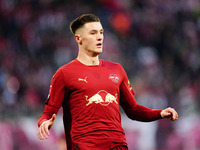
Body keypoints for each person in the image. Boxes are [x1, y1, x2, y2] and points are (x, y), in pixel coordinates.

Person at [37, 14, 178, 150]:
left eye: (101, 32)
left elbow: (133, 110)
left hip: (117, 145)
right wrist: (44, 122)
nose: (99, 37)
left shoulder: (117, 70)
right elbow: (48, 113)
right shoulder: (64, 73)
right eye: (93, 33)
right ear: (78, 38)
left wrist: (160, 113)